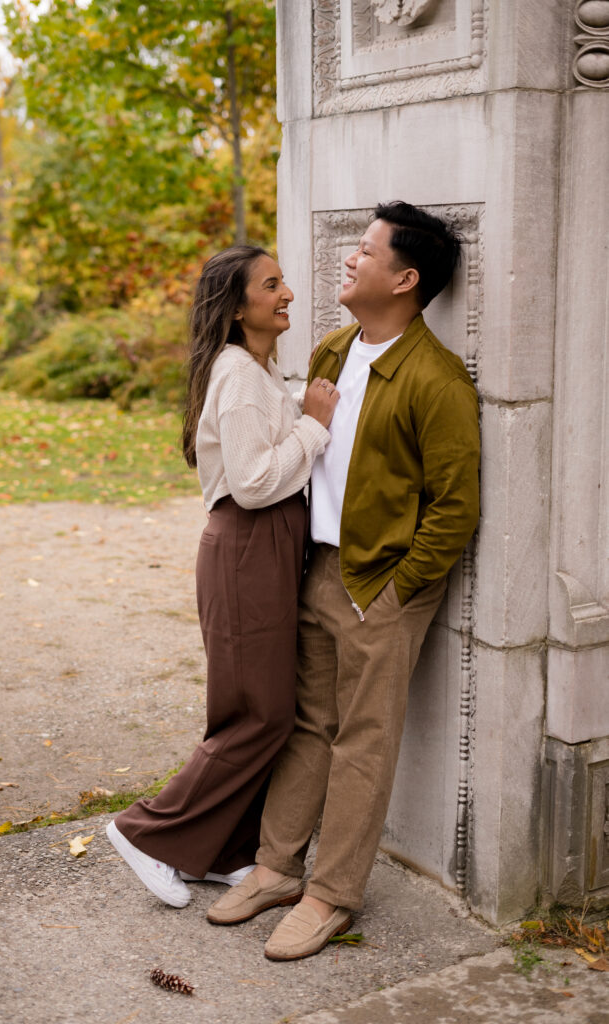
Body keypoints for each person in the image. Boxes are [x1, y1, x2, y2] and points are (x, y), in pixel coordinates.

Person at [206, 201, 481, 960]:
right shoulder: (330, 350)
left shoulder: (435, 378)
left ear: (404, 278)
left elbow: (455, 506)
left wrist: (396, 591)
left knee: (362, 741)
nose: (349, 259)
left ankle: (330, 895)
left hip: (381, 584)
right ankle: (275, 868)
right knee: (305, 726)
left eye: (365, 251)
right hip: (317, 568)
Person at [106, 245, 339, 908]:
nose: (287, 292)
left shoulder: (257, 370)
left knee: (261, 710)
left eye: (282, 280)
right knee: (255, 715)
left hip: (262, 549)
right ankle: (145, 832)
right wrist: (314, 428)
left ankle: (217, 852)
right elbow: (255, 482)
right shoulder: (237, 373)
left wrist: (299, 414)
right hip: (246, 546)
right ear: (238, 308)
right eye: (271, 285)